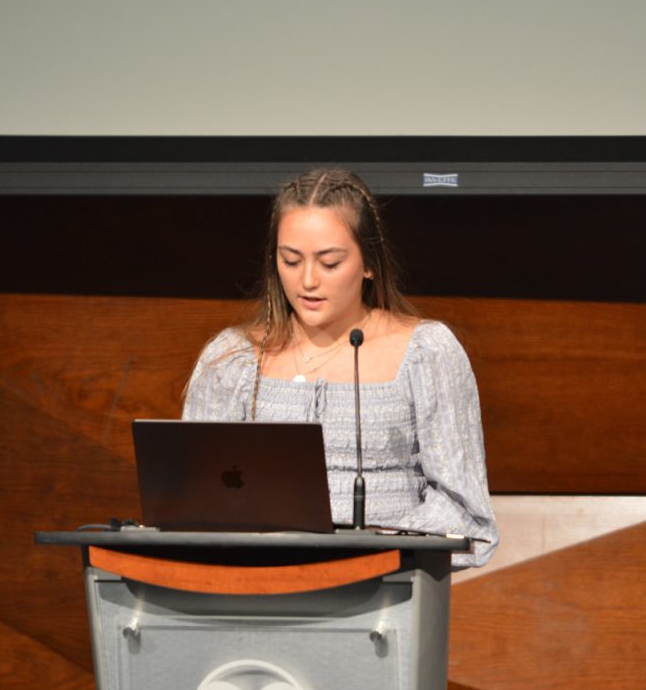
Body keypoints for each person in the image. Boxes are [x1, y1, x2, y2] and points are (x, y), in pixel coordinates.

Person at [182, 169, 498, 568]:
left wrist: (367, 554)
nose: (308, 281)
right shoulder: (230, 359)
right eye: (291, 260)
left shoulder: (428, 353)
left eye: (329, 263)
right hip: (258, 586)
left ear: (368, 263)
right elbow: (193, 507)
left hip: (383, 592)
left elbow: (463, 512)